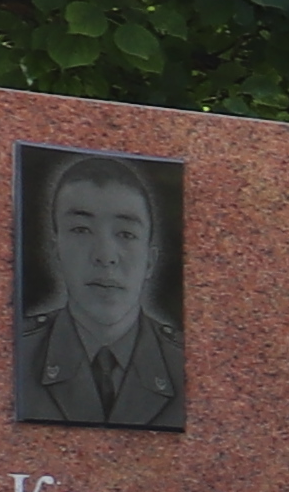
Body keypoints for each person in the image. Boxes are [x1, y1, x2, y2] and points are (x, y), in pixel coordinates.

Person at [16, 150, 185, 430]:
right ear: (55, 250)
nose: (105, 255)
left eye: (126, 234)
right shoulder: (18, 352)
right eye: (81, 230)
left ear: (150, 261)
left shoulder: (184, 363)